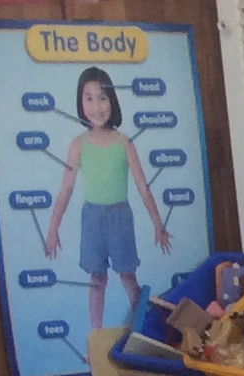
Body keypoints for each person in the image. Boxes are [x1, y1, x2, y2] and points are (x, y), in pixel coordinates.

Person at [42, 66, 173, 331]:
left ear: (112, 101)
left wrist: (158, 224)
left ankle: (142, 328)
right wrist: (53, 229)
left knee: (128, 277)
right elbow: (66, 189)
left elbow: (143, 187)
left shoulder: (124, 143)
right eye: (88, 98)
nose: (96, 106)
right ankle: (96, 334)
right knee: (96, 280)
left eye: (102, 98)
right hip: (91, 219)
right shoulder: (78, 145)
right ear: (80, 102)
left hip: (120, 218)